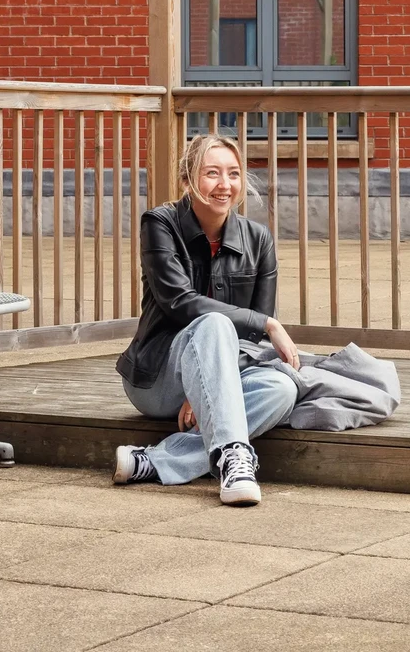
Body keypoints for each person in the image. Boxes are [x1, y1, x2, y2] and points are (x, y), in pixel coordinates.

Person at [111, 133, 300, 506]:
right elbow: (181, 304)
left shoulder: (258, 239)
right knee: (215, 323)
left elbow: (254, 346)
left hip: (225, 373)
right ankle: (234, 460)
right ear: (187, 179)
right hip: (158, 378)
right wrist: (269, 323)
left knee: (283, 390)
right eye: (211, 173)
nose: (224, 185)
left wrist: (206, 391)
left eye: (233, 174)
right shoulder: (160, 224)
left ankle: (153, 461)